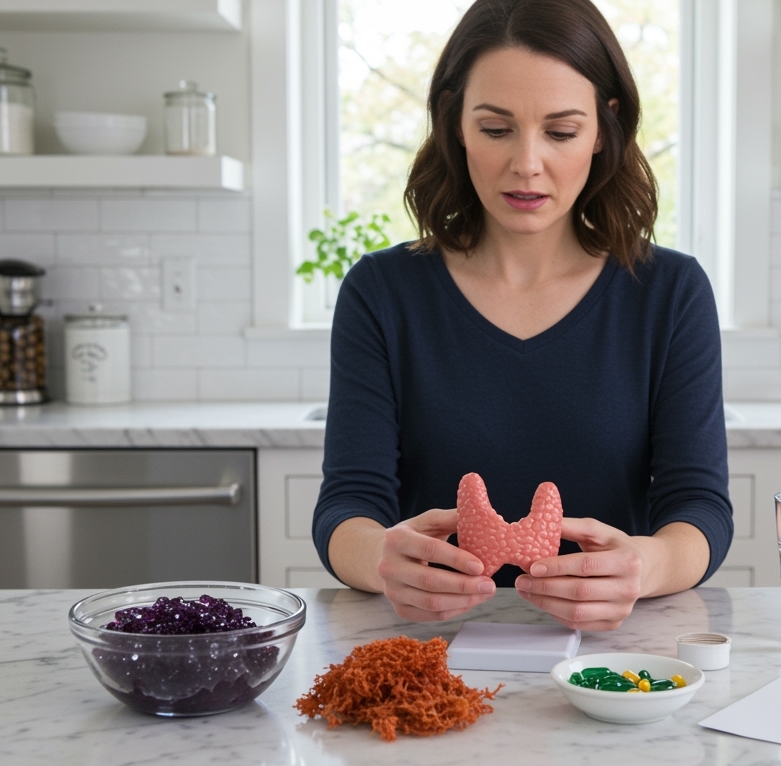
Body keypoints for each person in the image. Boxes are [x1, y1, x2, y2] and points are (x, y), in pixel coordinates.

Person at [312, 0, 731, 632]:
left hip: (609, 655)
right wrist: (382, 561)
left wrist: (645, 565)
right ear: (455, 122)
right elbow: (347, 505)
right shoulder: (383, 291)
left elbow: (699, 508)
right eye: (496, 128)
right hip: (431, 648)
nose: (527, 164)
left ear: (602, 129)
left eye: (560, 132)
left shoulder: (669, 292)